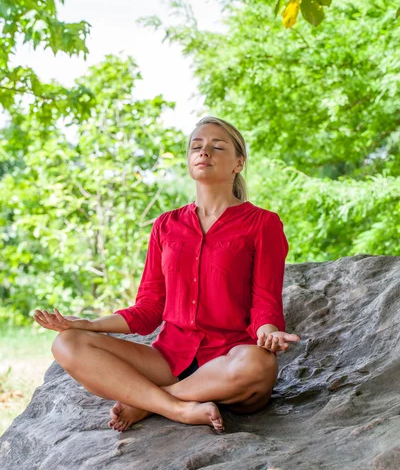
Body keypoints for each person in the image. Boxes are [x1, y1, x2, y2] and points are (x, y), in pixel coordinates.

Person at [33, 116, 301, 435]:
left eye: (217, 147)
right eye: (196, 147)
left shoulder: (263, 223)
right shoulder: (166, 225)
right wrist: (86, 324)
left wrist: (268, 330)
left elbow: (265, 301)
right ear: (189, 160)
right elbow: (148, 310)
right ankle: (176, 408)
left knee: (260, 364)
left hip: (230, 362)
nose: (205, 153)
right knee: (67, 343)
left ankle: (147, 403)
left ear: (238, 163)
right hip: (168, 360)